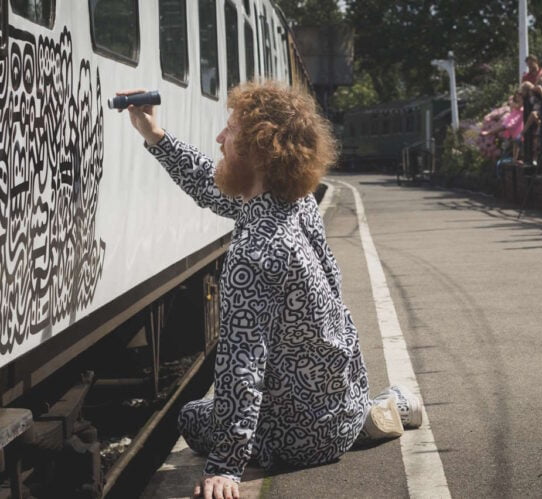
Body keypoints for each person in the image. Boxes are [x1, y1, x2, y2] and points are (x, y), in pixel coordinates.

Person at [119, 81, 423, 498]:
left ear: (258, 150)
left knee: (191, 416)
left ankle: (374, 411)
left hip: (298, 442)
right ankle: (385, 408)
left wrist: (226, 467)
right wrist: (155, 135)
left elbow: (241, 366)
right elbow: (211, 186)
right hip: (341, 408)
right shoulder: (297, 205)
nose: (219, 139)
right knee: (311, 391)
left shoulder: (254, 254)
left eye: (230, 132)